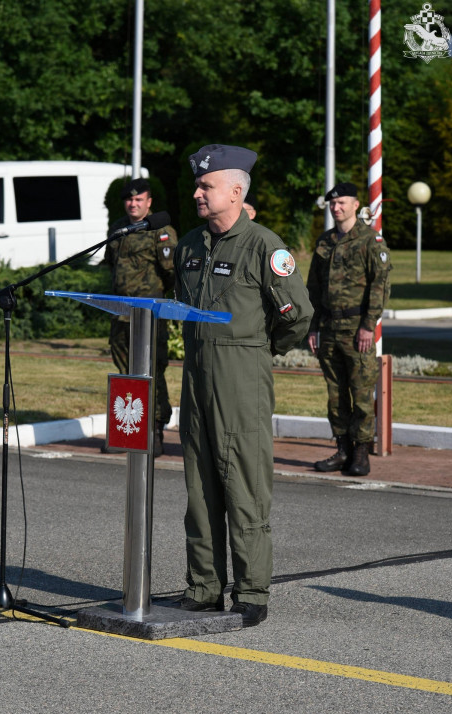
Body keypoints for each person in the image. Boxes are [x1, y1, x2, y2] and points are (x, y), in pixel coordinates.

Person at [173, 144, 313, 627]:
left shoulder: (263, 246)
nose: (198, 193)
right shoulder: (190, 244)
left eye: (206, 186)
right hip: (195, 373)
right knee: (200, 484)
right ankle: (204, 587)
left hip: (242, 373)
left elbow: (298, 315)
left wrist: (257, 348)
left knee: (244, 484)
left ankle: (251, 590)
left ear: (236, 191)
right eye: (198, 185)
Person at [306, 182, 392, 477]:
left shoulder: (370, 241)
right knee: (335, 394)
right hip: (329, 327)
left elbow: (380, 287)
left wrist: (369, 326)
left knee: (361, 393)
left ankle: (361, 452)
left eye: (342, 203)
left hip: (358, 330)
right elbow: (313, 290)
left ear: (356, 205)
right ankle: (342, 449)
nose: (336, 207)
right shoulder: (325, 242)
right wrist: (313, 328)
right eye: (332, 203)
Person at [103, 178, 178, 456]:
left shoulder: (161, 231)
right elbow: (111, 267)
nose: (133, 204)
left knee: (152, 372)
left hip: (149, 316)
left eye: (139, 199)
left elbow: (172, 273)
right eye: (129, 200)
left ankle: (156, 432)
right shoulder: (118, 229)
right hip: (120, 315)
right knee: (125, 374)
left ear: (149, 202)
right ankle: (127, 431)